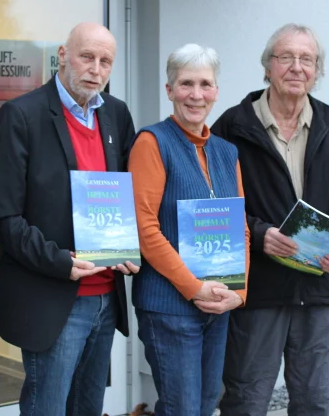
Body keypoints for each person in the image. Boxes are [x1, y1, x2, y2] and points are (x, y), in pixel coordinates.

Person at [0, 22, 139, 416]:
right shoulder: (21, 115)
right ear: (63, 56)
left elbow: (129, 196)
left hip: (106, 295)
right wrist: (60, 263)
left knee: (88, 408)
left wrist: (131, 245)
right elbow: (0, 216)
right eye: (87, 57)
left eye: (106, 61)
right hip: (53, 297)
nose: (96, 69)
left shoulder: (117, 116)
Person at [211, 23, 329, 416]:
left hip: (319, 288)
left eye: (306, 59)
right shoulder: (232, 127)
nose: (296, 67)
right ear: (267, 67)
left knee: (315, 402)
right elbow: (216, 205)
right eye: (286, 58)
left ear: (317, 70)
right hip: (259, 290)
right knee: (246, 399)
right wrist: (259, 234)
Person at [128, 43, 250, 415]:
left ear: (216, 91)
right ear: (169, 91)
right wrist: (193, 287)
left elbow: (240, 229)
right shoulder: (152, 143)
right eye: (185, 84)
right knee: (182, 409)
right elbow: (145, 228)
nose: (196, 95)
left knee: (205, 404)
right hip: (169, 307)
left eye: (205, 84)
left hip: (218, 304)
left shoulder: (227, 152)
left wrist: (238, 291)